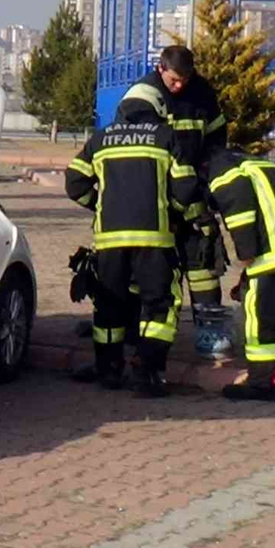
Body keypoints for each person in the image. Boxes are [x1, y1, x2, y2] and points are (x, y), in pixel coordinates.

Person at [65, 120, 203, 397]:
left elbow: (74, 184)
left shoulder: (101, 138)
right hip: (154, 239)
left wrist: (101, 205)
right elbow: (186, 186)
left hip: (109, 240)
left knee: (108, 303)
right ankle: (146, 370)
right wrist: (172, 212)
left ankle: (108, 370)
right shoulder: (165, 136)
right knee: (160, 304)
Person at [116, 46, 228, 314]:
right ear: (160, 68)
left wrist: (203, 185)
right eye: (174, 80)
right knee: (150, 267)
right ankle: (140, 325)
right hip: (153, 197)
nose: (179, 86)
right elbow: (146, 156)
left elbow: (216, 139)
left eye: (185, 80)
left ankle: (208, 324)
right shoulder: (142, 98)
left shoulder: (202, 91)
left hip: (192, 193)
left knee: (202, 263)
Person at [202, 147, 275, 401]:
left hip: (273, 241)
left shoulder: (220, 170)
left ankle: (261, 382)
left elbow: (238, 204)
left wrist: (247, 252)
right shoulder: (251, 163)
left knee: (259, 310)